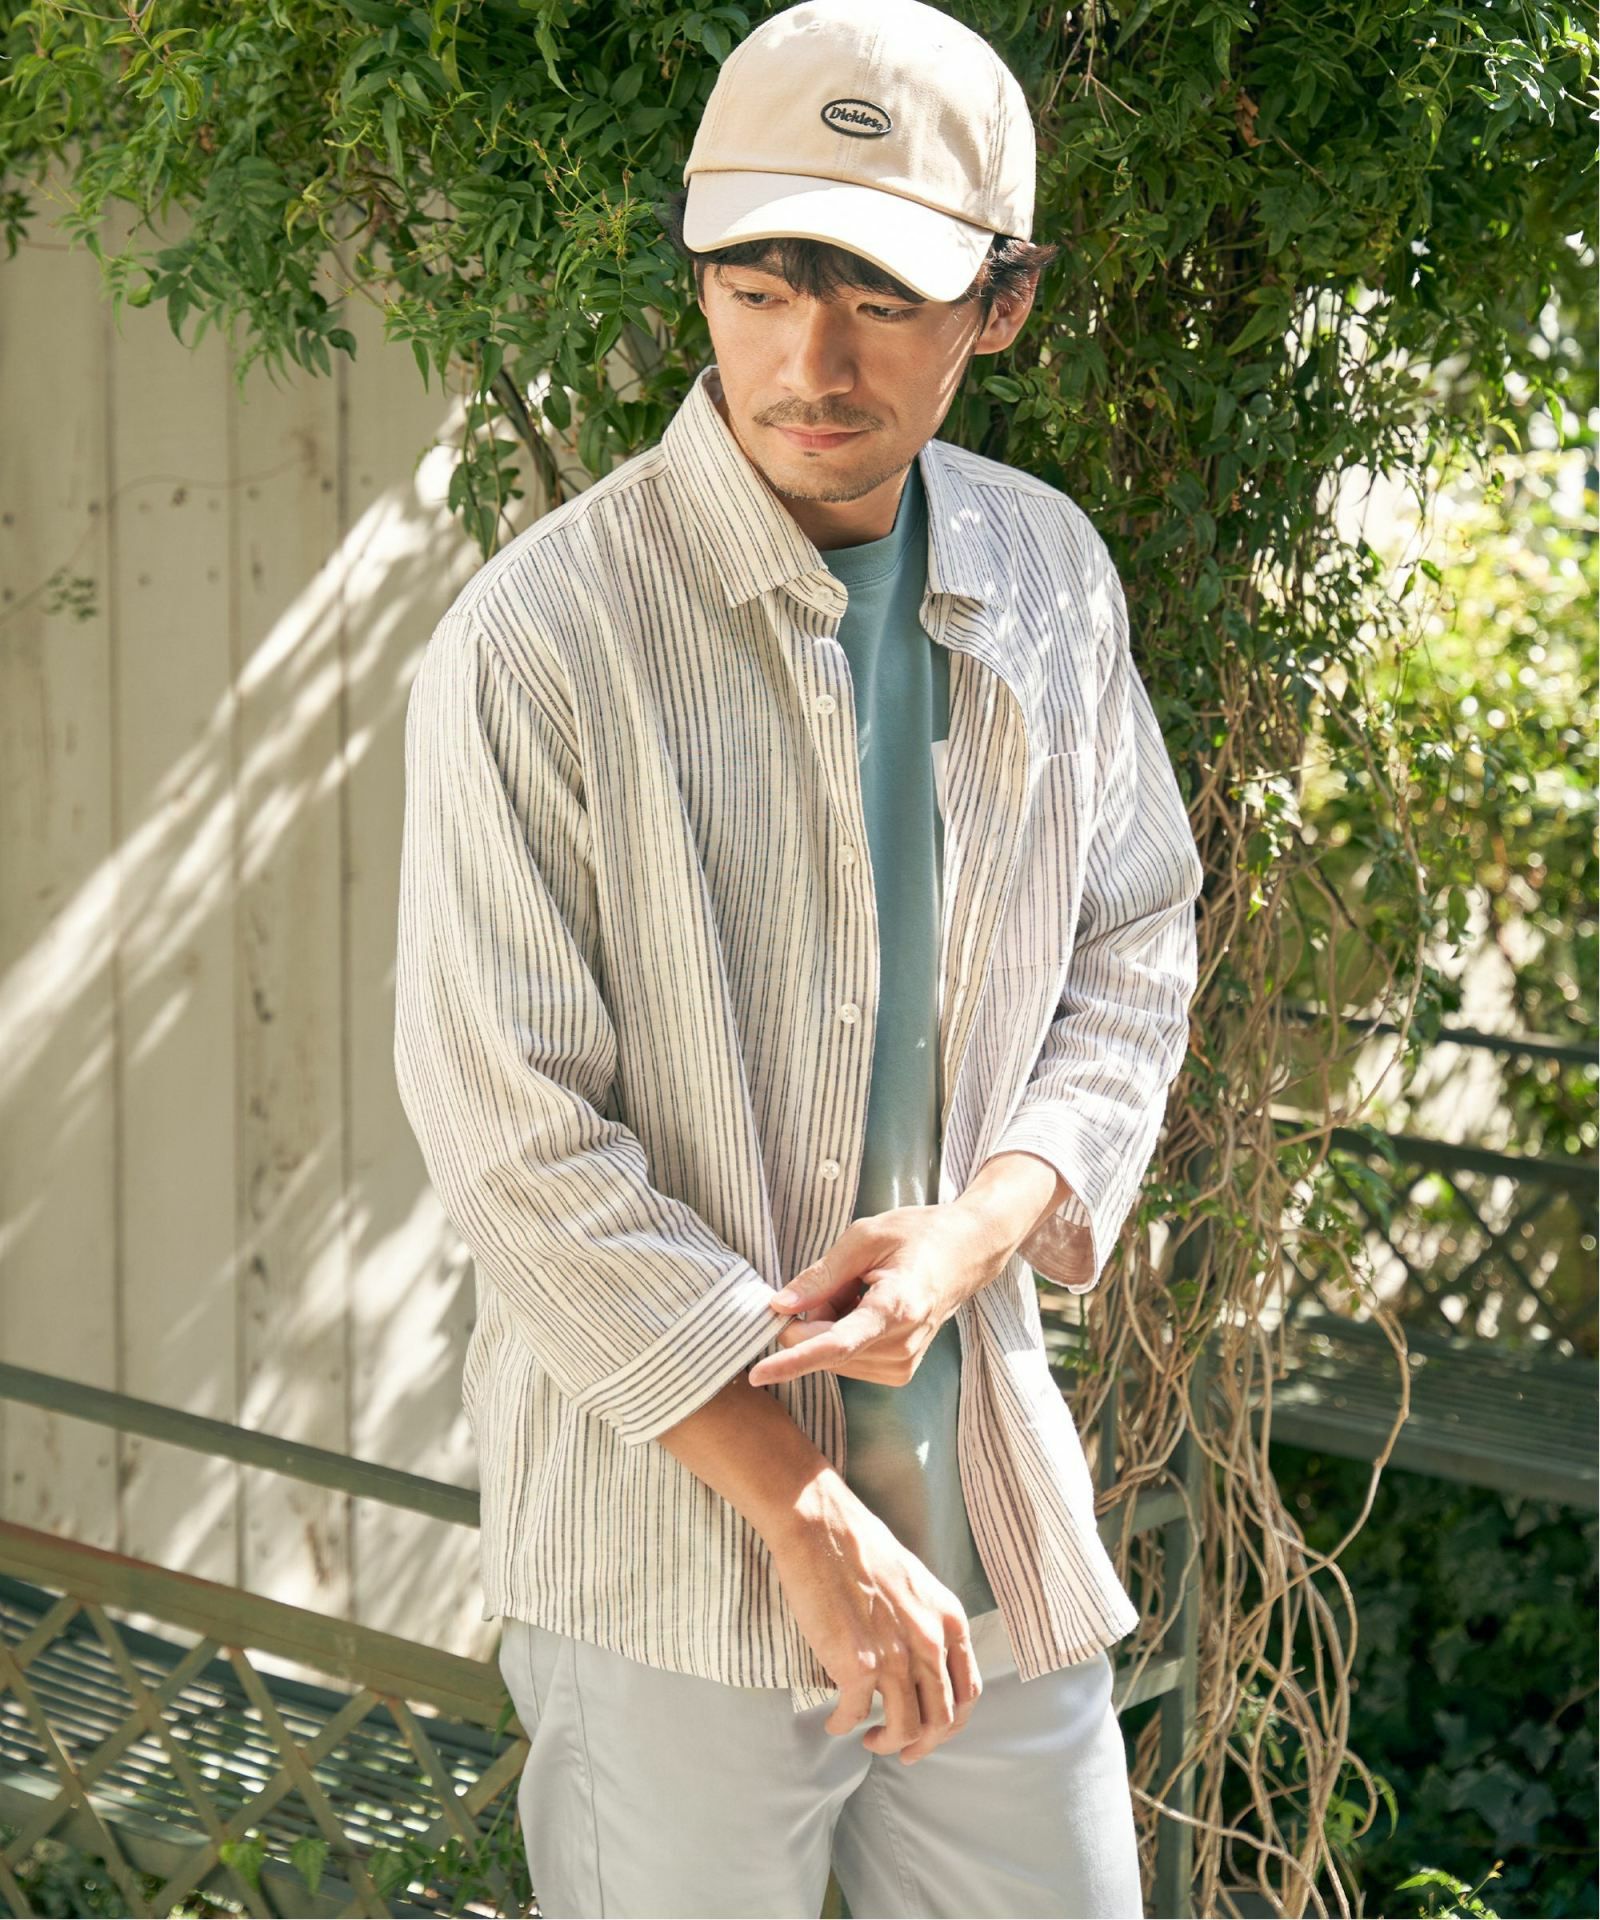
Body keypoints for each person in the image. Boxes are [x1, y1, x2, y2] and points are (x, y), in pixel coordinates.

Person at [392, 0, 1205, 1912]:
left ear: (1002, 304)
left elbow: (1136, 942)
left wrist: (980, 1230)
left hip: (987, 1509)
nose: (808, 364)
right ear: (699, 278)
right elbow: (514, 1142)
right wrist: (807, 1511)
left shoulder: (1048, 569)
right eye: (757, 291)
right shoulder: (543, 641)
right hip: (670, 1556)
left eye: (882, 302)